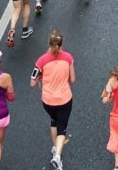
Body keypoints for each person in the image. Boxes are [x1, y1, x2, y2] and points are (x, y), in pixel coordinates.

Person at [32, 30, 76, 170]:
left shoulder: (41, 60)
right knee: (62, 129)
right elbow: (73, 79)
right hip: (64, 99)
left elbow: (32, 83)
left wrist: (41, 77)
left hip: (48, 101)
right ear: (61, 44)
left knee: (54, 121)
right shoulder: (68, 58)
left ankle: (55, 148)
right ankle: (57, 156)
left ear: (49, 44)